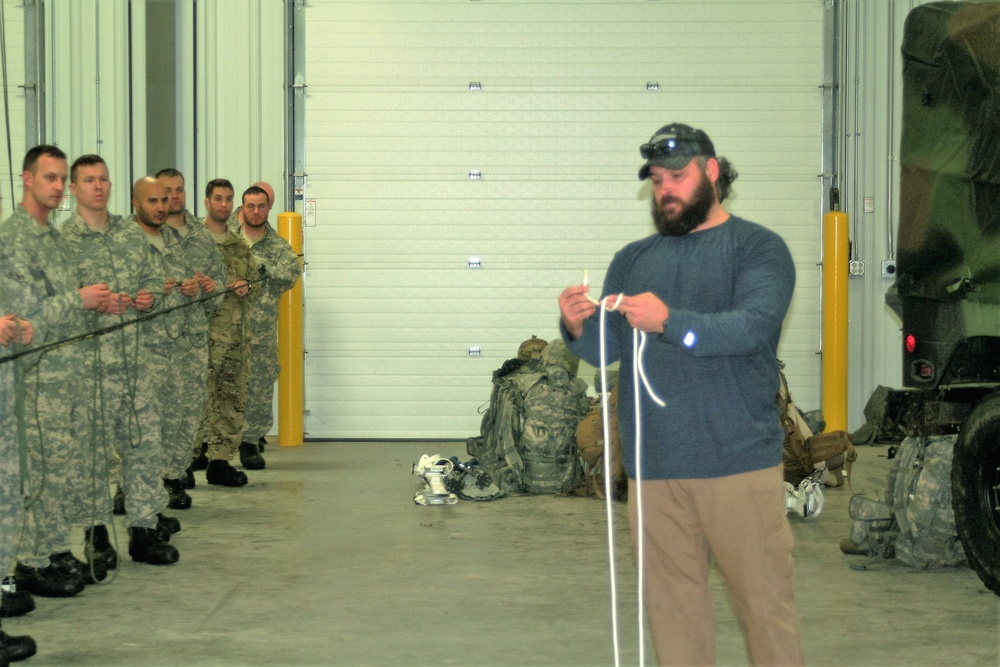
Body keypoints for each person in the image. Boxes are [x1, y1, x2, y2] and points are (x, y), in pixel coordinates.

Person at [557, 123, 804, 666]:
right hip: (655, 472)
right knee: (674, 620)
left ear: (711, 172)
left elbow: (752, 328)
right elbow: (604, 350)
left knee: (766, 614)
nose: (665, 188)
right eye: (657, 180)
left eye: (677, 176)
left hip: (738, 467)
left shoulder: (759, 248)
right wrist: (576, 326)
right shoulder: (632, 259)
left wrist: (674, 323)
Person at [0, 145, 112, 599]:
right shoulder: (15, 238)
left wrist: (98, 303)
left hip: (68, 373)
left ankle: (52, 548)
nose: (57, 187)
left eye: (62, 178)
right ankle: (31, 561)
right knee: (40, 473)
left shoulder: (53, 239)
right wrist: (79, 300)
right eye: (49, 177)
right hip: (36, 379)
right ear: (27, 180)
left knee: (64, 470)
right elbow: (27, 319)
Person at [59, 156, 177, 567]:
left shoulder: (129, 236)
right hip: (87, 368)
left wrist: (148, 296)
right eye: (89, 180)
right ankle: (96, 536)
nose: (98, 187)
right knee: (90, 455)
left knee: (144, 446)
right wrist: (89, 302)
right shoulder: (63, 243)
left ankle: (143, 531)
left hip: (134, 363)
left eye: (104, 179)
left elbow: (152, 280)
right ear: (74, 189)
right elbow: (54, 307)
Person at [153, 168, 226, 494]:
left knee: (187, 413)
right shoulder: (139, 235)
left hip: (192, 341)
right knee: (150, 415)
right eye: (166, 190)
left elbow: (219, 286)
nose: (174, 196)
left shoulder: (201, 236)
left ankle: (175, 475)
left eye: (179, 189)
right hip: (153, 342)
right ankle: (136, 484)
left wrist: (212, 287)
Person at [234, 183, 301, 468]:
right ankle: (211, 448)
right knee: (220, 388)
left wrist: (262, 267)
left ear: (268, 208)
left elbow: (290, 274)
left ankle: (250, 442)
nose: (256, 211)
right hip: (225, 330)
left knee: (259, 389)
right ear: (242, 208)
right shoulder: (227, 241)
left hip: (260, 333)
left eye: (261, 206)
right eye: (250, 206)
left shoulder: (278, 247)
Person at [197, 179, 256, 487]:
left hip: (235, 336)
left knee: (232, 400)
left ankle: (219, 462)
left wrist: (246, 286)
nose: (223, 204)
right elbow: (184, 285)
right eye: (217, 198)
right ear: (207, 202)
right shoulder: (193, 242)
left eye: (228, 199)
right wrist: (224, 286)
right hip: (200, 338)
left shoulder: (239, 246)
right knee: (197, 401)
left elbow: (252, 286)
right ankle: (182, 465)